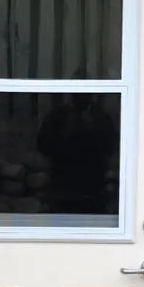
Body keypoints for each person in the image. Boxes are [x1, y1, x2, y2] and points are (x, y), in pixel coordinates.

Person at [37, 88, 119, 217]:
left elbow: (110, 147)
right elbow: (44, 146)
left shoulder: (100, 117)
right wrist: (66, 131)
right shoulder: (58, 116)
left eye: (86, 91)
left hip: (93, 187)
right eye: (78, 90)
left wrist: (92, 130)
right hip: (62, 186)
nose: (82, 95)